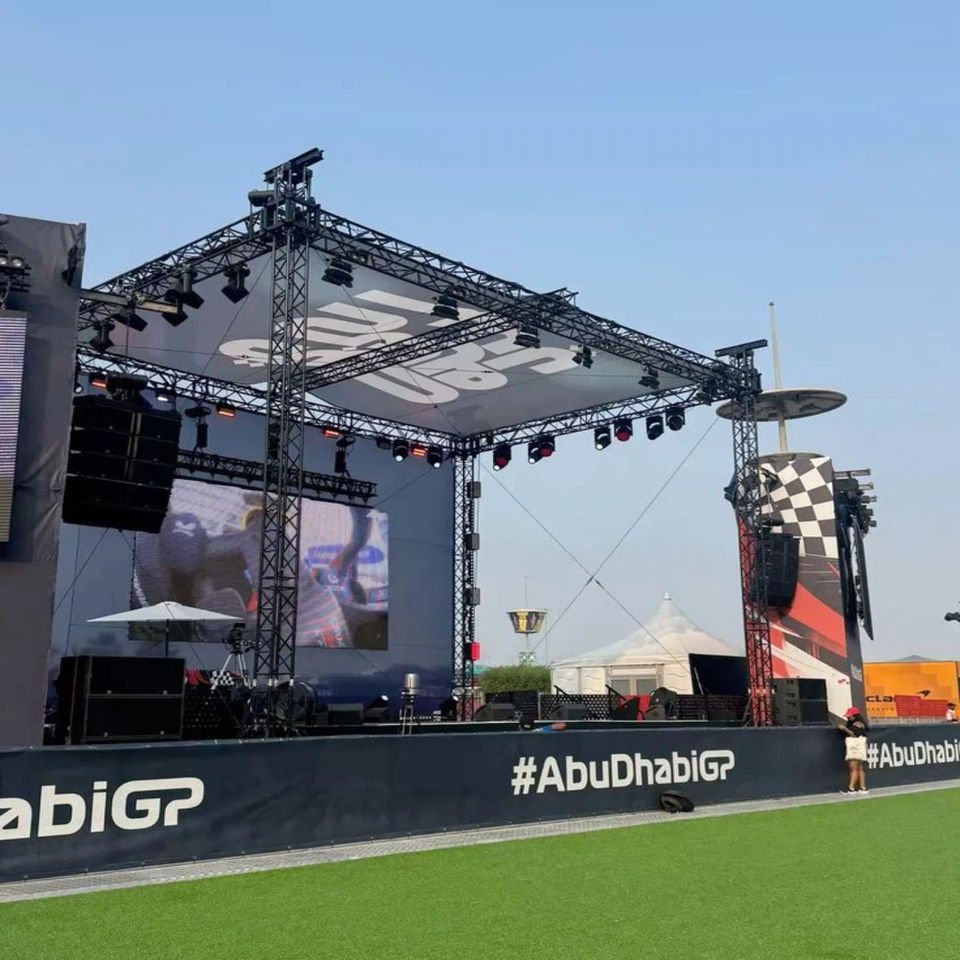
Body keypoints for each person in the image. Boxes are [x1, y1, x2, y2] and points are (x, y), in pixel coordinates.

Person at [837, 707, 869, 794]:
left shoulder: (858, 724)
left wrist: (844, 729)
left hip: (856, 747)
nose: (848, 717)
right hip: (860, 747)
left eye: (849, 716)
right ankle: (862, 788)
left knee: (853, 768)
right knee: (860, 768)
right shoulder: (859, 723)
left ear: (854, 716)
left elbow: (855, 734)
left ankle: (851, 788)